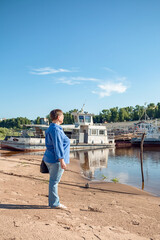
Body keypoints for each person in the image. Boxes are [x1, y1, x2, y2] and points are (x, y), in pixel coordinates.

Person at [43, 109, 70, 209]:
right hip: (55, 160)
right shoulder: (56, 129)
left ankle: (53, 202)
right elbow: (58, 146)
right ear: (59, 117)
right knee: (54, 182)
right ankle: (55, 203)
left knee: (53, 181)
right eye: (62, 116)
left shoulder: (50, 128)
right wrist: (62, 160)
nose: (63, 117)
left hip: (49, 158)